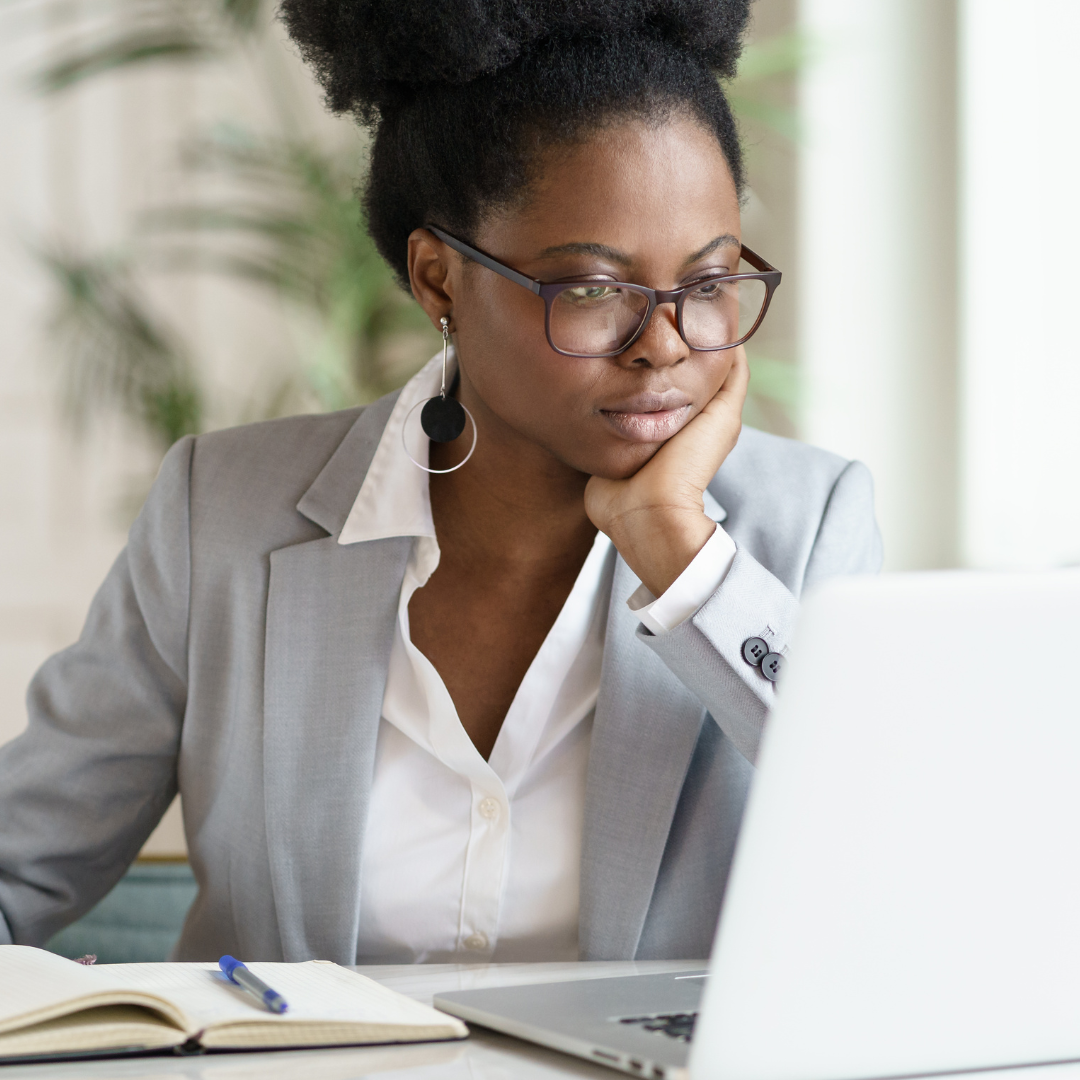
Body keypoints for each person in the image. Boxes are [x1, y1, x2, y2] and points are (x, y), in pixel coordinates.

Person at [0, 0, 881, 964]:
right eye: (592, 290)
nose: (664, 346)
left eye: (707, 285)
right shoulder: (222, 516)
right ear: (438, 280)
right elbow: (18, 868)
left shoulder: (805, 527)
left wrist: (681, 552)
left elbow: (913, 848)